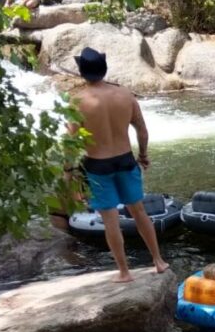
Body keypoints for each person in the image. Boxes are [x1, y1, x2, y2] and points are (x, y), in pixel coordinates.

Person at [67, 47, 168, 282]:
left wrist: (70, 177)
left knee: (111, 220)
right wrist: (143, 155)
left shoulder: (77, 101)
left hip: (97, 165)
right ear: (104, 69)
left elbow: (70, 144)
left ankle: (124, 272)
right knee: (139, 212)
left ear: (82, 73)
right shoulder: (125, 95)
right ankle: (158, 261)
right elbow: (142, 131)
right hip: (125, 160)